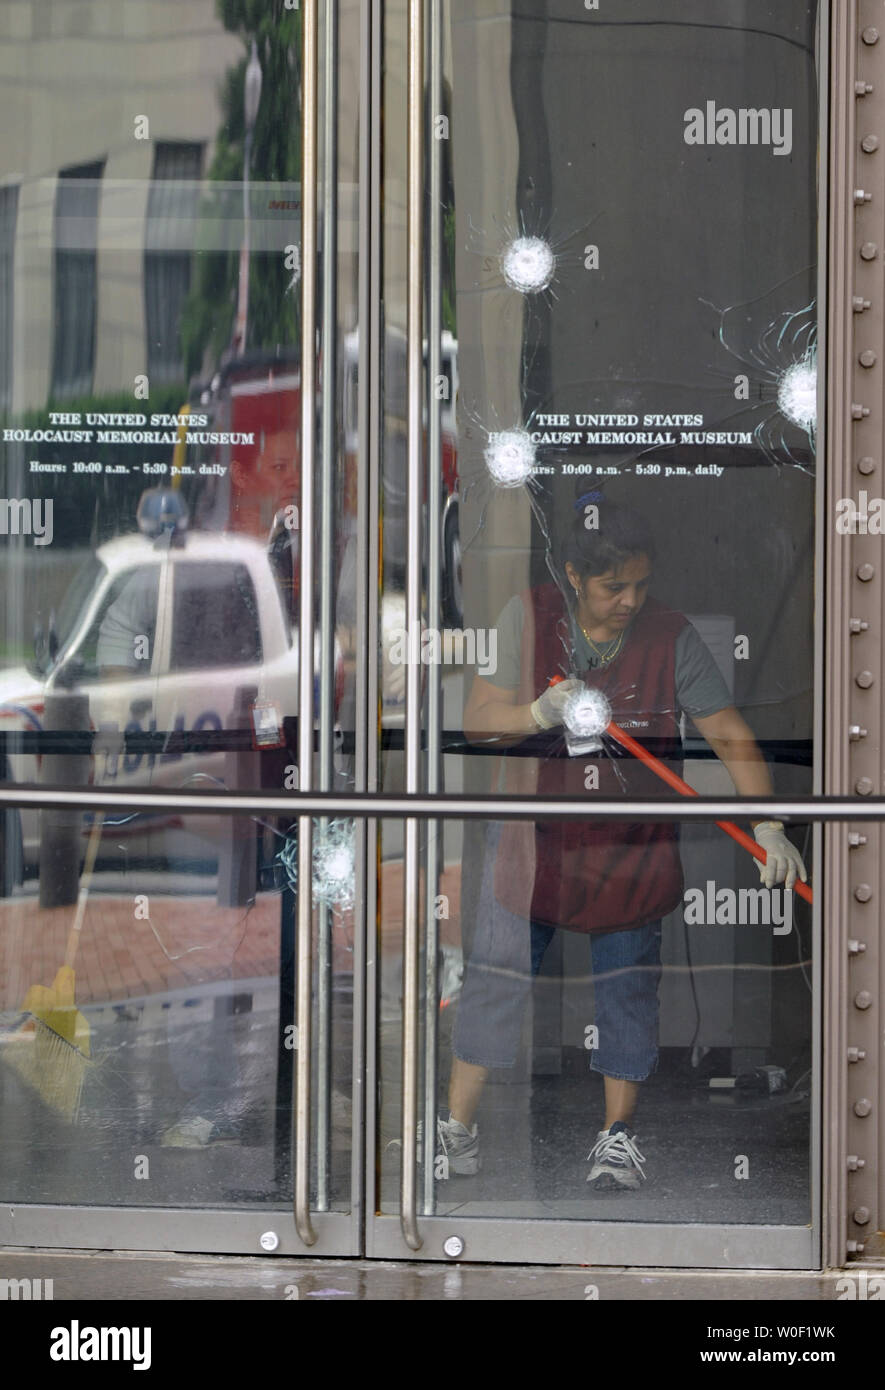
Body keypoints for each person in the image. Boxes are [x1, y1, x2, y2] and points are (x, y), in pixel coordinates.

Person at [438, 494, 807, 1190]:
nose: (630, 600)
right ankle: (456, 1132)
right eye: (614, 587)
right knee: (494, 981)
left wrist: (766, 821)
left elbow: (727, 732)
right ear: (574, 575)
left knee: (627, 993)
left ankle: (615, 1139)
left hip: (627, 847)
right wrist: (534, 711)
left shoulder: (670, 637)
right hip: (531, 844)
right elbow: (480, 722)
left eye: (641, 584)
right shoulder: (530, 616)